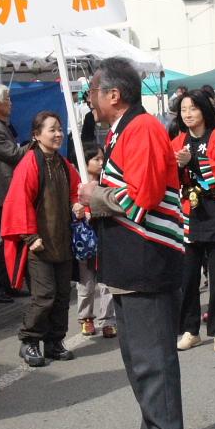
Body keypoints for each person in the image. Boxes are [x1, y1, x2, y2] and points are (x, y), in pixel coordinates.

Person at [77, 57, 186, 429]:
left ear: (113, 95)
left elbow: (142, 197)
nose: (90, 102)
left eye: (92, 94)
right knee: (137, 358)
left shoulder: (142, 129)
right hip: (128, 263)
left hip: (147, 262)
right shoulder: (125, 130)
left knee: (153, 360)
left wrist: (94, 197)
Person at [2, 112, 83, 367]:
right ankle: (29, 342)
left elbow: (75, 190)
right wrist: (30, 236)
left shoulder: (61, 163)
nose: (58, 134)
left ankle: (54, 342)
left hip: (62, 240)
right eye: (51, 130)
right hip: (38, 244)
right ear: (36, 135)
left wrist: (78, 205)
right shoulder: (29, 162)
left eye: (59, 129)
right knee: (44, 296)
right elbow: (18, 201)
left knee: (61, 295)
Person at [173, 90, 215, 351]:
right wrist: (178, 167)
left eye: (193, 108)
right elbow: (169, 175)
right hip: (189, 212)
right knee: (187, 277)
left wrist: (193, 162)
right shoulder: (177, 140)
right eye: (183, 110)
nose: (188, 114)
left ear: (203, 110)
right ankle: (190, 329)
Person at [0, 83, 31, 304]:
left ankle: (10, 283)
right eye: (7, 100)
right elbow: (14, 155)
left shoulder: (0, 125)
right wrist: (35, 143)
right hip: (3, 194)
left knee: (17, 240)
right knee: (10, 240)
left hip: (10, 192)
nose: (11, 103)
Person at [75, 143, 117, 338]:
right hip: (85, 242)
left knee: (107, 283)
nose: (101, 163)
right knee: (86, 283)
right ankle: (86, 318)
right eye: (96, 159)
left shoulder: (107, 182)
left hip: (106, 237)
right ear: (85, 162)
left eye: (103, 159)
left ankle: (108, 320)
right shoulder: (76, 184)